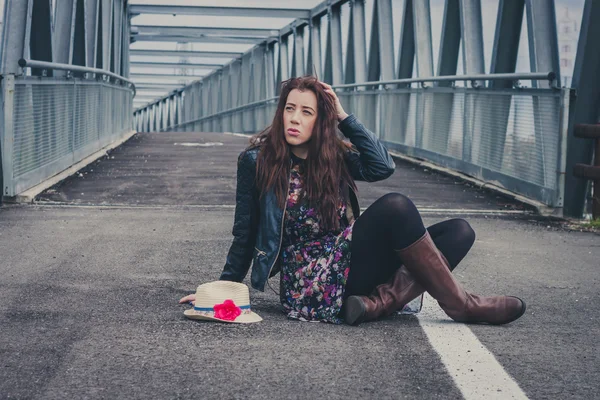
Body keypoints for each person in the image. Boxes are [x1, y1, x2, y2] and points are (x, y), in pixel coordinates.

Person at [179, 76, 526, 326]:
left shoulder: (335, 156)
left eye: (307, 112)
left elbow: (381, 166)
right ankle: (462, 305)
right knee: (396, 207)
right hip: (311, 279)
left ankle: (372, 304)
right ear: (280, 113)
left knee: (460, 232)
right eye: (290, 109)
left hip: (348, 260)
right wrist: (222, 290)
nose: (295, 119)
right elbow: (245, 233)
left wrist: (346, 117)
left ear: (322, 119)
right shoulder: (256, 161)